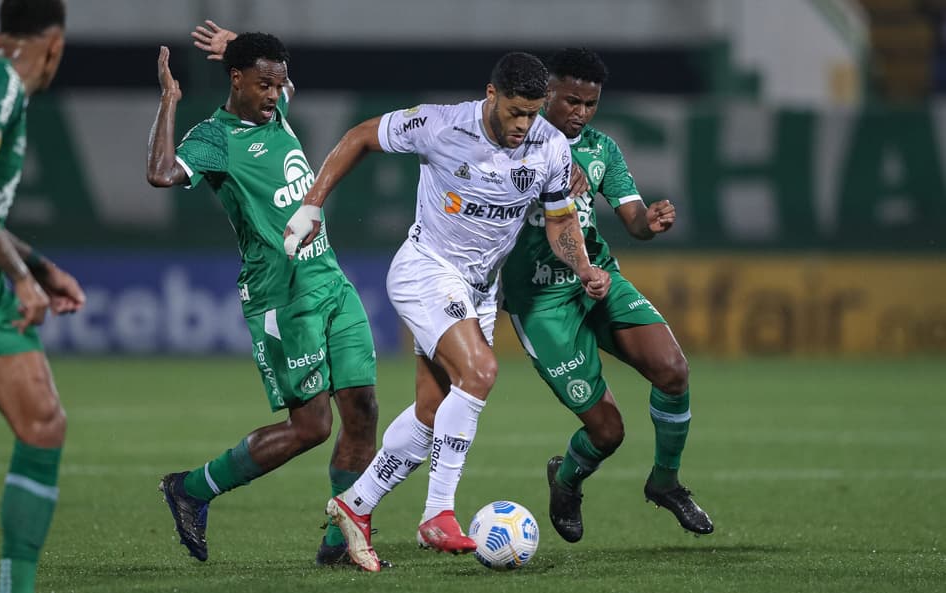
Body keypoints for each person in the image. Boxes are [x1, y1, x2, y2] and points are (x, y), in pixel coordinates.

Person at [282, 51, 610, 572]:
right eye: (515, 112)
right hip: (426, 269)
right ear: (491, 96)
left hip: (479, 290)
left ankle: (355, 504)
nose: (524, 125)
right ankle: (437, 513)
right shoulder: (439, 124)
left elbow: (559, 222)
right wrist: (311, 205)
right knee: (480, 371)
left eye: (533, 112)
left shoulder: (549, 147)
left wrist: (584, 267)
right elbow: (363, 135)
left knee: (433, 416)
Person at [146, 23, 382, 567]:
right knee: (312, 427)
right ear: (236, 81)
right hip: (281, 297)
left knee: (363, 409)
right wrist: (169, 99)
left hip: (330, 281)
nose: (275, 95)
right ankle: (192, 489)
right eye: (264, 85)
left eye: (279, 85)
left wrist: (242, 49)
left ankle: (338, 542)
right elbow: (160, 173)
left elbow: (276, 78)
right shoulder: (215, 138)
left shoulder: (277, 111)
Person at [502, 47, 713, 543]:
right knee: (607, 433)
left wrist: (650, 222)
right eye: (570, 100)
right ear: (545, 92)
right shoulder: (509, 143)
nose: (579, 112)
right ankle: (567, 479)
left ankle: (665, 481)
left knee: (673, 370)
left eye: (589, 103)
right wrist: (544, 176)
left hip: (598, 280)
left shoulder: (601, 149)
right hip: (540, 303)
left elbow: (632, 218)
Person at [0, 1, 87, 592]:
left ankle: (15, 586)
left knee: (43, 423)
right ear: (53, 46)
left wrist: (35, 265)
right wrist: (23, 279)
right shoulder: (3, 84)